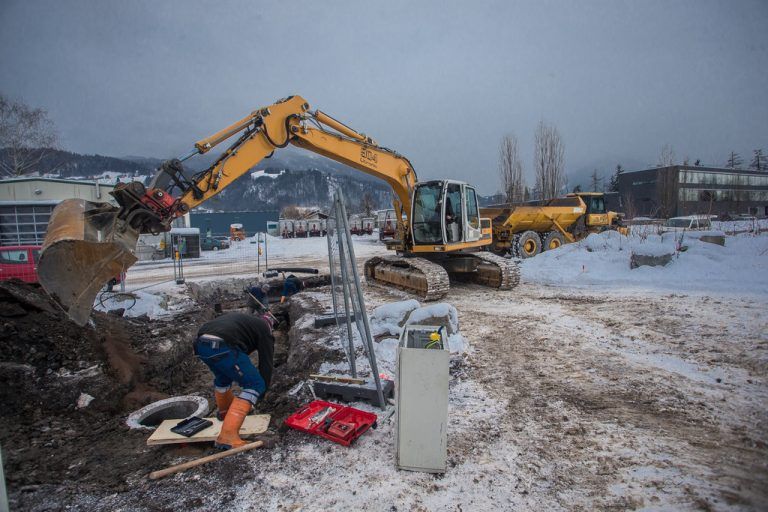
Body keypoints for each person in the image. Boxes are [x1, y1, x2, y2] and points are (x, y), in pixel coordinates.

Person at [194, 312, 275, 449]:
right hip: (223, 345)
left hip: (201, 345)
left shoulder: (245, 322)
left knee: (223, 378)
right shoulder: (265, 330)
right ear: (270, 326)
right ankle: (228, 436)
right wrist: (262, 391)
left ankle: (226, 412)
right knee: (254, 384)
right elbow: (266, 363)